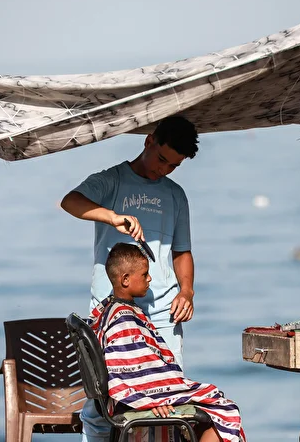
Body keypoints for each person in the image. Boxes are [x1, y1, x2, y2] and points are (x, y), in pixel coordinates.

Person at [61, 116, 199, 441]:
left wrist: (187, 291)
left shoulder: (176, 195)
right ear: (149, 141)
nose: (163, 169)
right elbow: (71, 202)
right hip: (112, 316)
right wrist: (112, 217)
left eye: (173, 166)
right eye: (161, 159)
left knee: (169, 405)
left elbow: (182, 251)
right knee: (101, 408)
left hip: (162, 316)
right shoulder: (111, 181)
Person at [86, 243, 246, 442]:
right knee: (225, 410)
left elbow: (136, 370)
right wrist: (152, 400)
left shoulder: (111, 310)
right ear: (125, 279)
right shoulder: (123, 320)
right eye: (144, 274)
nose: (149, 279)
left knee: (212, 401)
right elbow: (128, 375)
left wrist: (156, 395)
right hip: (134, 402)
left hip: (136, 398)